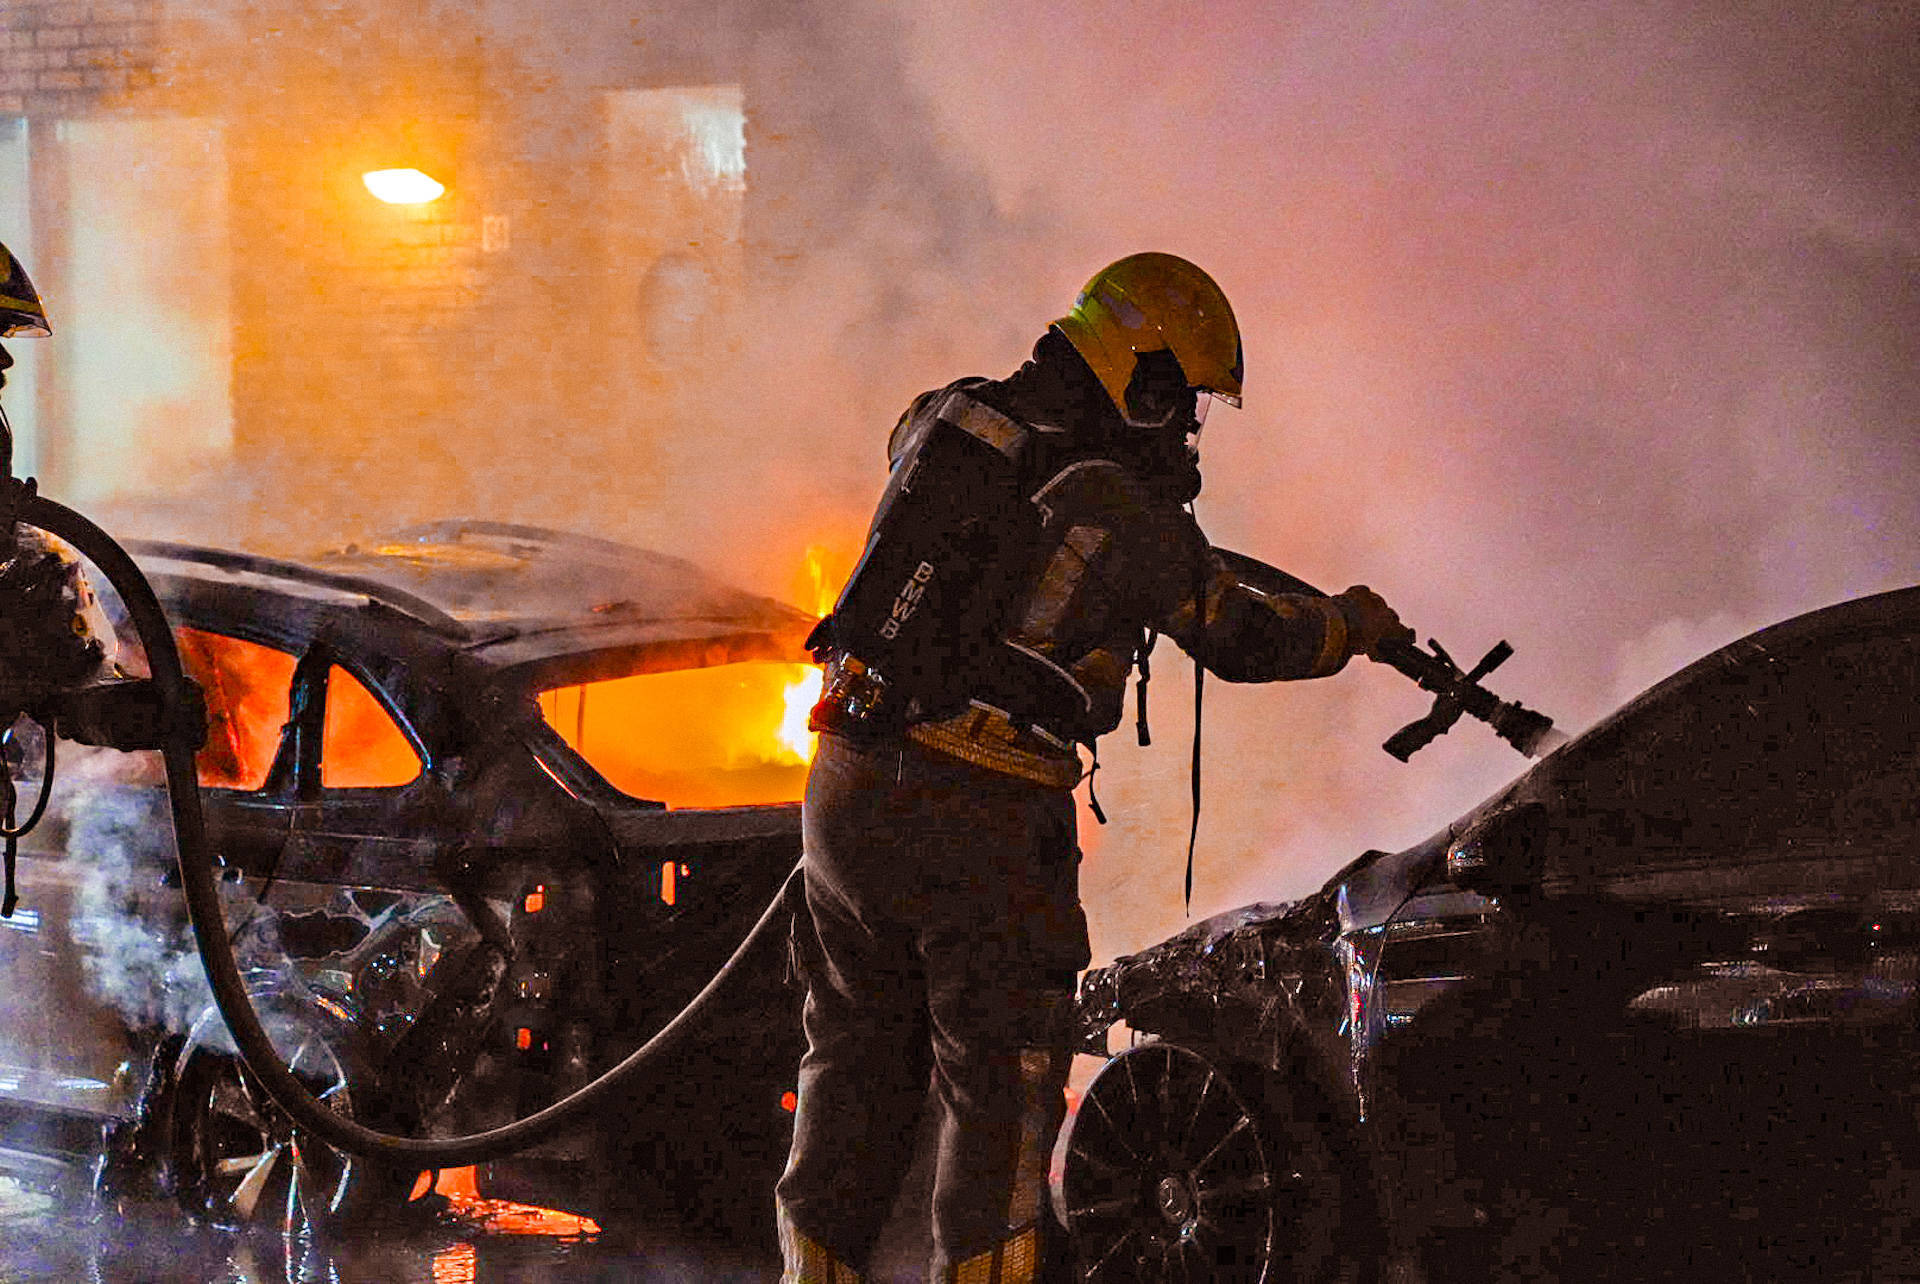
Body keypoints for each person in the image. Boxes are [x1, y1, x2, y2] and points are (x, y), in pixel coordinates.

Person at [779, 252, 1412, 1283]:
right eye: (1183, 398)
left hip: (846, 788)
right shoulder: (1121, 509)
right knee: (1002, 1097)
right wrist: (1348, 627)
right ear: (1137, 372)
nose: (1190, 426)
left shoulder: (955, 418)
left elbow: (942, 492)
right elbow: (1243, 637)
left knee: (851, 1069)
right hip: (978, 816)